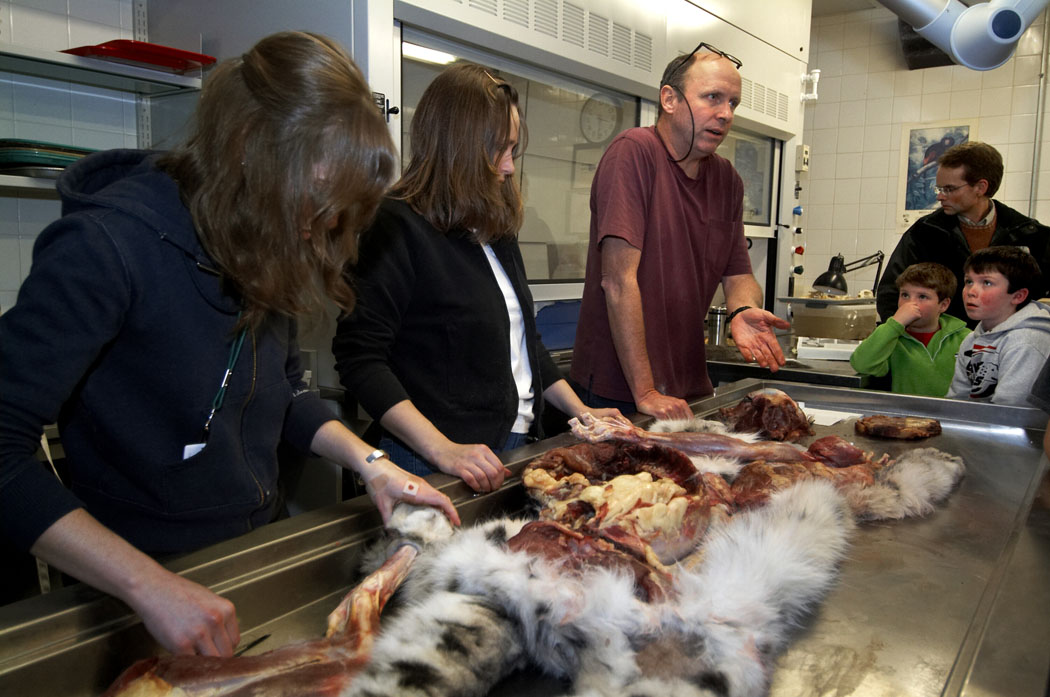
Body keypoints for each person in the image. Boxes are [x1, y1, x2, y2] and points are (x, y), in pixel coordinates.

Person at [0, 32, 459, 658]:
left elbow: (288, 389)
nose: (321, 231)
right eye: (317, 203)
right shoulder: (106, 248)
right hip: (129, 584)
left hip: (242, 552)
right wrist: (148, 584)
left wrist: (372, 465)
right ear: (250, 149)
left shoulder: (252, 230)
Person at [332, 63, 624, 492]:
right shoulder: (392, 226)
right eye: (499, 149)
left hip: (510, 447)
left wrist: (582, 411)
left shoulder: (494, 227)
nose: (508, 167)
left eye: (513, 149)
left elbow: (527, 345)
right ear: (460, 146)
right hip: (429, 461)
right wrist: (441, 448)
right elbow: (360, 360)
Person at [570, 42, 790, 421]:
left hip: (689, 388)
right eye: (712, 98)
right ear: (669, 99)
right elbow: (619, 281)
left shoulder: (727, 180)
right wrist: (646, 391)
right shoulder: (634, 153)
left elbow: (738, 274)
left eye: (733, 103)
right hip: (619, 391)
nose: (725, 114)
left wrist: (744, 308)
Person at [877, 141, 1050, 327]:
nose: (940, 196)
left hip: (1008, 348)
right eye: (939, 188)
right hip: (941, 347)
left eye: (949, 189)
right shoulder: (925, 232)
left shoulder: (1030, 234)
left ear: (981, 187)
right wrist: (907, 339)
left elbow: (1041, 297)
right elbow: (891, 293)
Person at [946, 246, 1050, 405]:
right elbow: (957, 401)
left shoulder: (1026, 342)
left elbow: (1010, 410)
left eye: (987, 283)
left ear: (1018, 296)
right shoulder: (971, 339)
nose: (971, 291)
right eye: (969, 281)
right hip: (980, 425)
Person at [849, 262, 970, 396]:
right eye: (905, 295)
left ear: (943, 305)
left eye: (922, 297)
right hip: (906, 416)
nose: (910, 304)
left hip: (954, 415)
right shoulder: (891, 337)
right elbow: (862, 363)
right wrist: (895, 324)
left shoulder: (965, 338)